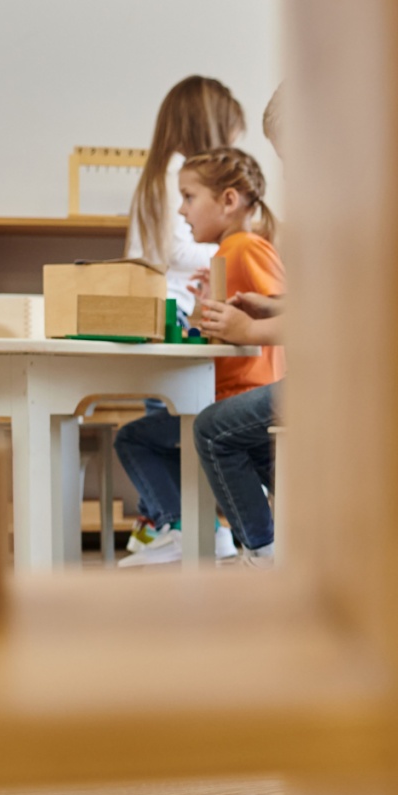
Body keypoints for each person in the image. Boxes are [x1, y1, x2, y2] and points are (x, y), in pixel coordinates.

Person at [116, 147, 285, 567]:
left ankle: (250, 545)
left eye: (189, 197)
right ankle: (240, 541)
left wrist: (242, 319)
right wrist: (207, 306)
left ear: (228, 201)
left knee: (157, 435)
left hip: (241, 389)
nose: (181, 209)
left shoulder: (245, 247)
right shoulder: (227, 254)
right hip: (231, 389)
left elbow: (285, 303)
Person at [122, 76, 246, 559]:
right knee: (177, 427)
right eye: (228, 135)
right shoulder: (177, 173)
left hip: (164, 308)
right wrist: (231, 247)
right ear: (207, 125)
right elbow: (174, 247)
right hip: (171, 312)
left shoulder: (159, 171)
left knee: (165, 428)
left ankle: (177, 525)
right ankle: (189, 528)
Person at [190, 88, 287, 564]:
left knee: (211, 430)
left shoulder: (245, 246)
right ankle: (272, 545)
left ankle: (263, 550)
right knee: (230, 437)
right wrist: (269, 308)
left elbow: (337, 317)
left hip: (314, 382)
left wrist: (250, 329)